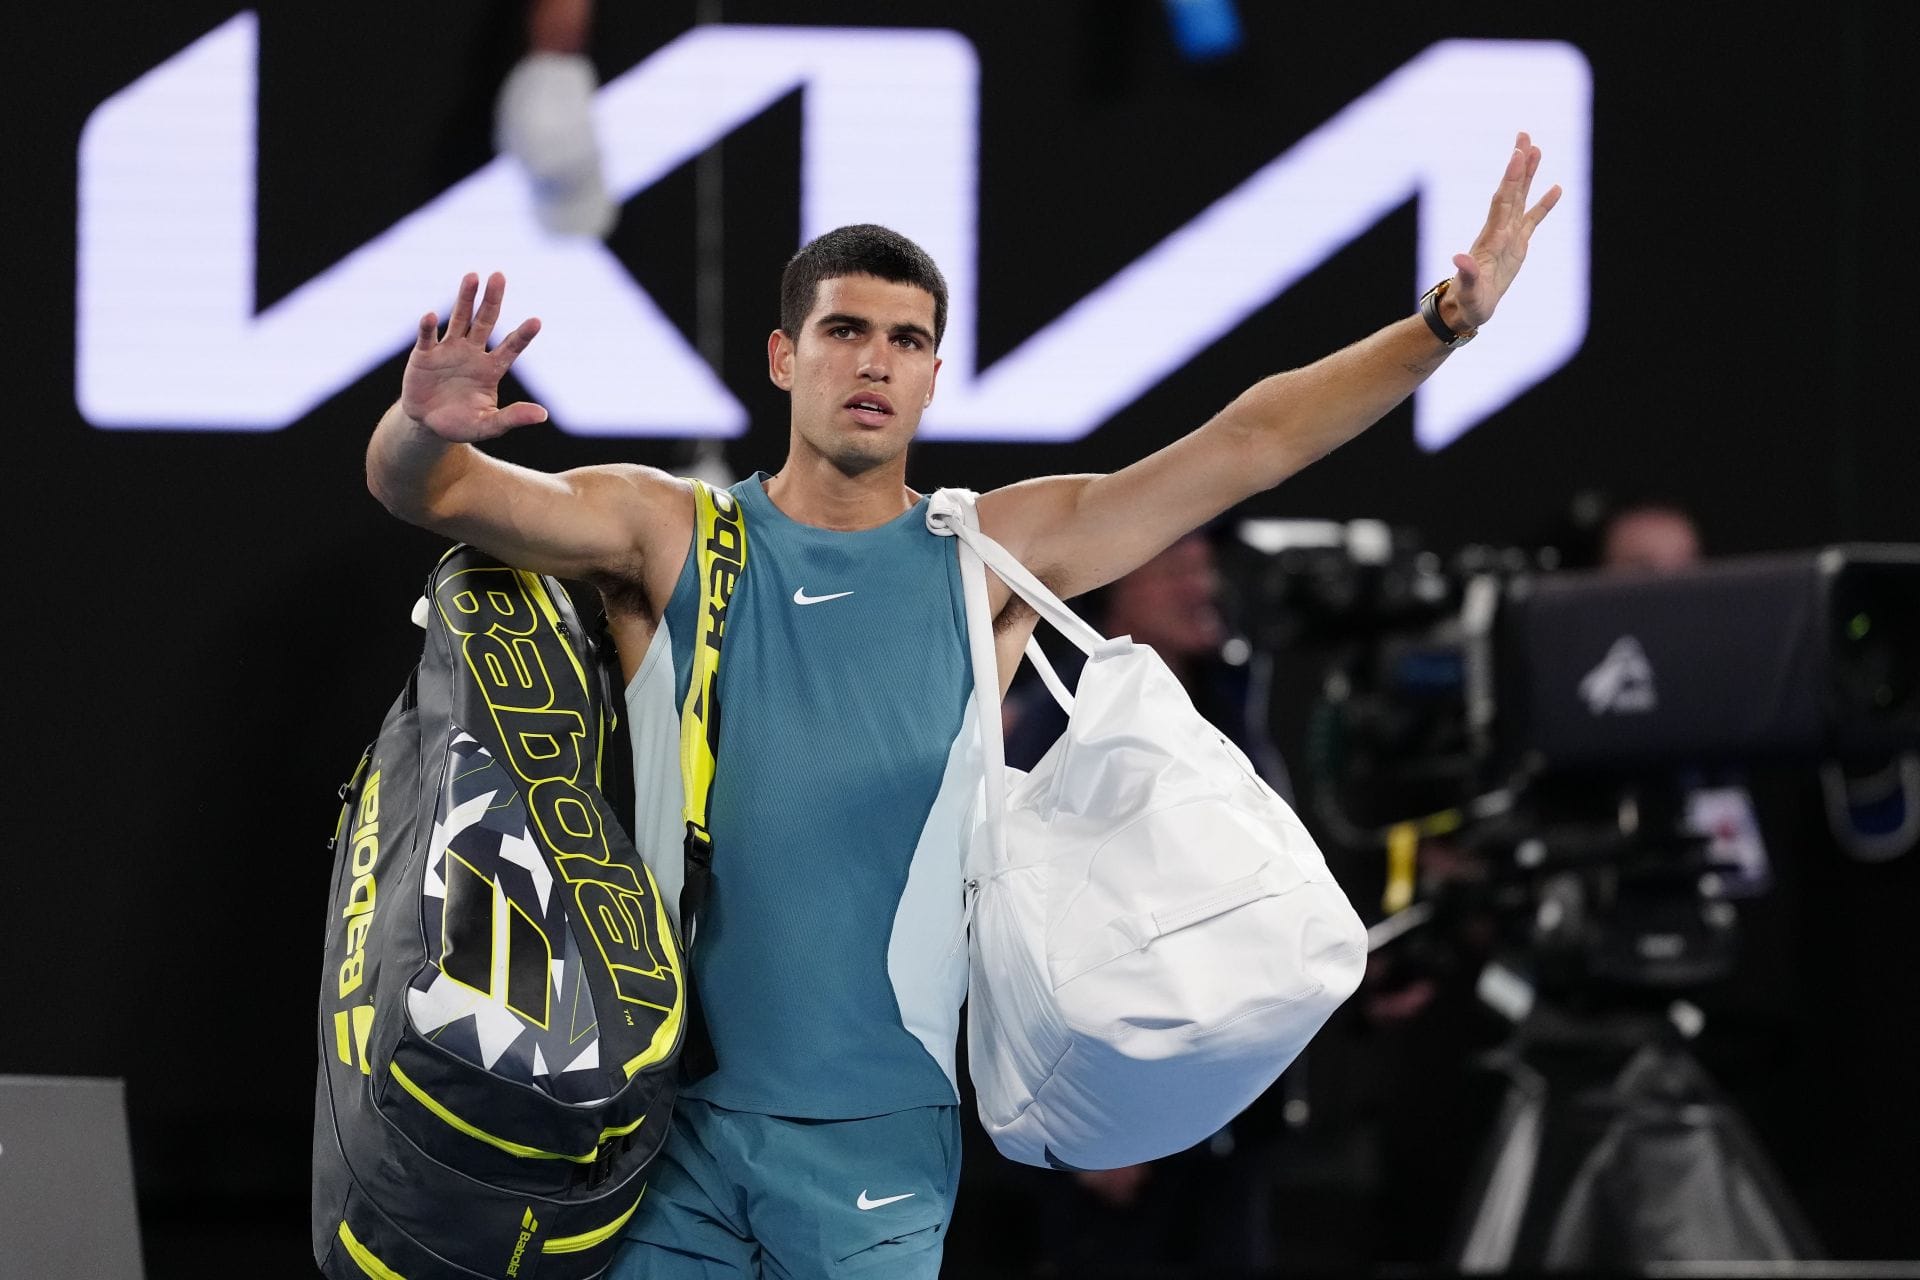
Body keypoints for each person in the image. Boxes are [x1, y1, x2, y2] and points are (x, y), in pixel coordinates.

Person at [365, 133, 1560, 1279]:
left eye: (907, 339)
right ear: (783, 356)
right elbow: (434, 490)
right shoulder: (667, 526)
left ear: (935, 373)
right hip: (661, 1120)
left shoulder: (986, 553)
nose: (875, 362)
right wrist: (420, 427)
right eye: (844, 330)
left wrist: (1441, 325)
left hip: (880, 1139)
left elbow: (1248, 443)